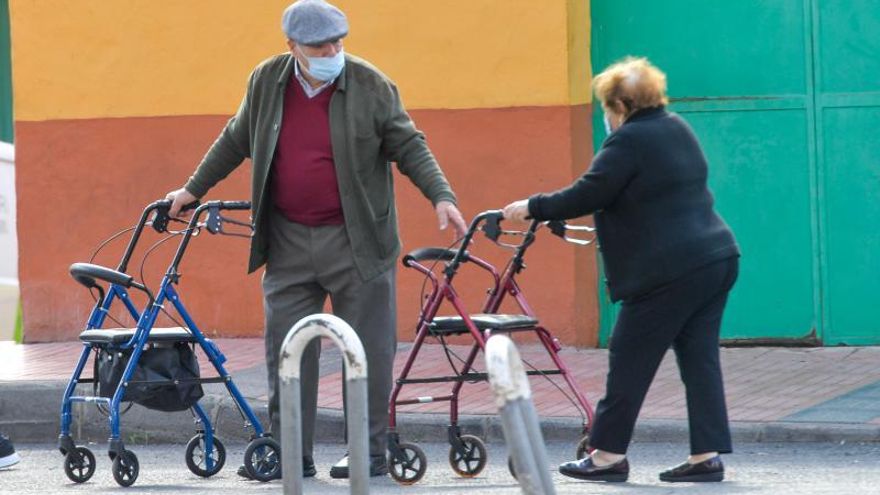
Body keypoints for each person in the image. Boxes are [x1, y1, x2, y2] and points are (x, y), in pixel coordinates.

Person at [165, 0, 467, 480]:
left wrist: (441, 196)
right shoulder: (267, 81)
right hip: (286, 240)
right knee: (286, 348)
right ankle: (291, 451)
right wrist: (193, 188)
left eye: (338, 41)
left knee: (366, 350)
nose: (332, 51)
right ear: (293, 48)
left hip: (358, 242)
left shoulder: (370, 85)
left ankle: (368, 452)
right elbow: (235, 137)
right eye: (320, 45)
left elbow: (410, 144)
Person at [503, 57, 739, 483]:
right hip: (716, 257)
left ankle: (607, 455)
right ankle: (707, 456)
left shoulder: (628, 141)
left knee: (629, 355)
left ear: (620, 105)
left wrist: (532, 207)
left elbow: (589, 193)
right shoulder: (676, 128)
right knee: (699, 358)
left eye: (606, 107)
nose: (605, 115)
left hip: (669, 271)